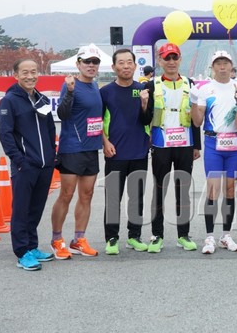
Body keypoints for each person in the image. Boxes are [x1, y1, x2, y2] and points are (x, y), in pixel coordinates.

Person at [0, 59, 56, 271]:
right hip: (25, 166)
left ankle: (32, 246)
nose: (30, 76)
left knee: (36, 209)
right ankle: (22, 252)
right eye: (25, 72)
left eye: (33, 71)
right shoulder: (9, 101)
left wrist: (51, 156)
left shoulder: (42, 99)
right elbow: (5, 134)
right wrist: (19, 160)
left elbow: (50, 130)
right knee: (21, 210)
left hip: (45, 165)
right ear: (16, 75)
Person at [144, 43, 201, 253]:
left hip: (185, 144)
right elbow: (144, 118)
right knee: (159, 190)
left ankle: (183, 235)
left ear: (180, 60)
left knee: (182, 190)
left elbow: (195, 117)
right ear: (159, 61)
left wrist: (197, 145)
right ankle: (157, 235)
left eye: (174, 57)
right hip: (161, 144)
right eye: (166, 58)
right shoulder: (151, 85)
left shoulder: (190, 83)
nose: (171, 62)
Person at [50, 44, 103, 260]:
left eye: (95, 62)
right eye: (87, 62)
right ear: (78, 64)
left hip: (91, 148)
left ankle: (79, 240)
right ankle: (56, 239)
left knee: (87, 195)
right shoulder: (71, 85)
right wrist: (70, 91)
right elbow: (62, 114)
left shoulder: (95, 86)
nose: (91, 65)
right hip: (72, 147)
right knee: (66, 194)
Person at [191, 50, 237, 254]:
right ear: (212, 67)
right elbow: (197, 121)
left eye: (226, 63)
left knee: (230, 190)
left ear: (231, 66)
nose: (222, 67)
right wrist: (194, 101)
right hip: (214, 143)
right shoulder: (205, 90)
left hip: (234, 145)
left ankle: (226, 235)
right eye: (218, 63)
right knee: (213, 190)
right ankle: (209, 237)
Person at [101, 48, 153, 255]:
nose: (125, 66)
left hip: (139, 152)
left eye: (129, 62)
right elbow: (96, 122)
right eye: (121, 63)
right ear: (114, 67)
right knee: (113, 198)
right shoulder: (105, 92)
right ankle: (111, 238)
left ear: (135, 65)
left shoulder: (143, 89)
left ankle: (134, 236)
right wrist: (105, 142)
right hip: (115, 153)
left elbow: (147, 120)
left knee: (137, 197)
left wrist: (144, 103)